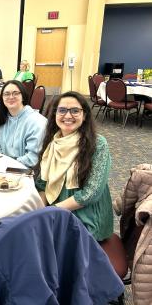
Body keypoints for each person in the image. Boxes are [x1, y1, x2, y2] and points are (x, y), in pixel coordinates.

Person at [35, 91, 114, 241]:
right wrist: (39, 213)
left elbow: (91, 194)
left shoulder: (98, 144)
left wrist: (51, 212)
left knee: (38, 245)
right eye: (62, 110)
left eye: (75, 111)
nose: (68, 115)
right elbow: (42, 184)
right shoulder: (52, 142)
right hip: (55, 209)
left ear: (84, 116)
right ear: (54, 115)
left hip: (85, 216)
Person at [0, 80, 47, 168]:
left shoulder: (37, 122)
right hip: (5, 169)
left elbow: (33, 159)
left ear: (23, 96)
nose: (11, 97)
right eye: (6, 94)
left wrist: (6, 165)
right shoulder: (4, 119)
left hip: (27, 172)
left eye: (15, 93)